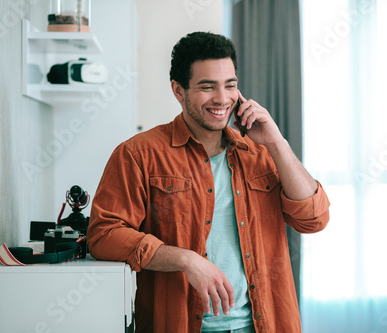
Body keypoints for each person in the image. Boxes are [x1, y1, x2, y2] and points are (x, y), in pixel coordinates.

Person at [87, 31, 330, 333]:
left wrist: (277, 143)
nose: (222, 98)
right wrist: (186, 260)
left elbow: (314, 219)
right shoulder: (138, 154)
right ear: (179, 90)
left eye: (230, 85)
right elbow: (103, 235)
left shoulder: (262, 152)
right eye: (207, 87)